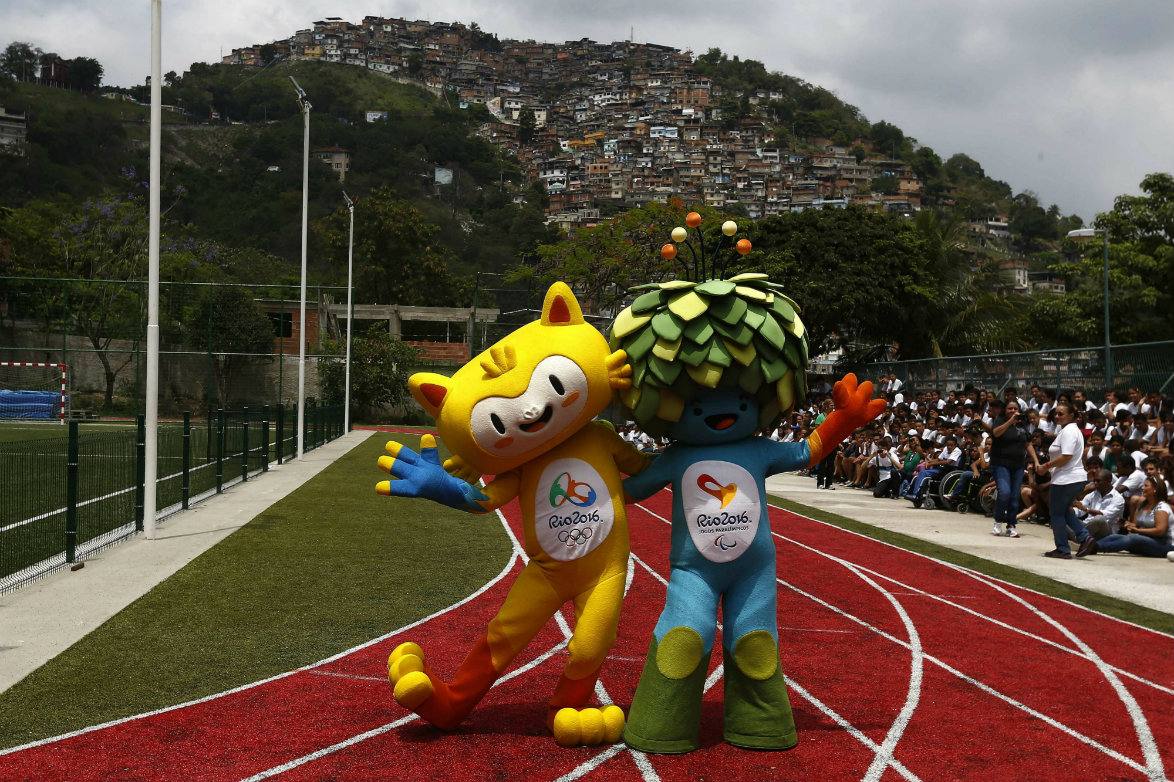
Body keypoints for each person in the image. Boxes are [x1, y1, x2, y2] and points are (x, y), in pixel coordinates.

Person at [1038, 403, 1090, 559]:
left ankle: (1062, 548)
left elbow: (1066, 456)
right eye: (1056, 413)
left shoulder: (1069, 431)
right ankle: (1085, 537)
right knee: (1064, 511)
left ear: (1071, 415)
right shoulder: (1069, 430)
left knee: (1056, 514)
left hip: (1066, 478)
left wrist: (1046, 466)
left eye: (1061, 414)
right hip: (1068, 477)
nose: (1057, 416)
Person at [1078, 476, 1172, 558]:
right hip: (1147, 540)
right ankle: (1089, 545)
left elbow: (1160, 531)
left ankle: (1095, 548)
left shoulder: (1161, 507)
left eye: (1146, 486)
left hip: (1164, 545)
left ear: (1155, 489)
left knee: (1133, 538)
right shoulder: (1143, 505)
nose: (1142, 488)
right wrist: (1127, 524)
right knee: (1115, 537)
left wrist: (1138, 530)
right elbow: (1137, 526)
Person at [983, 399, 1029, 538]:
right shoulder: (1000, 420)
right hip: (1001, 463)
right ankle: (998, 521)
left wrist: (1037, 461)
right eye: (1010, 408)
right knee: (1004, 492)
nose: (1013, 411)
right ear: (1005, 410)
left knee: (1014, 496)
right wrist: (1010, 421)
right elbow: (996, 433)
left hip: (1018, 465)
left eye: (1015, 409)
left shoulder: (1022, 423)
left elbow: (1027, 443)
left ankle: (1011, 525)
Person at [1073, 469, 1126, 539]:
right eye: (1094, 480)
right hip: (1087, 526)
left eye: (1098, 481)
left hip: (1106, 532)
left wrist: (1085, 509)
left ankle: (1078, 537)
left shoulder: (1118, 499)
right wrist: (1072, 511)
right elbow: (1080, 511)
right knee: (1065, 513)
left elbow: (1103, 516)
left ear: (1109, 481)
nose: (1095, 483)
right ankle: (1079, 537)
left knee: (1099, 519)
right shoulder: (1093, 494)